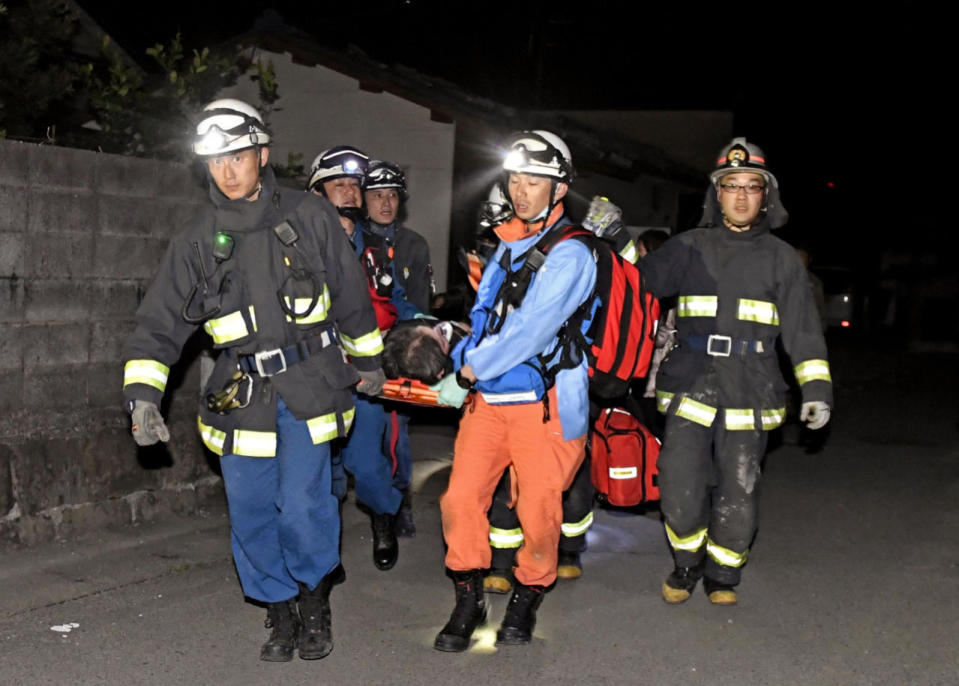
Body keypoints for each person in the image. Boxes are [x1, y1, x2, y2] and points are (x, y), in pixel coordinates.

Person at [122, 100, 386, 662]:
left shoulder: (310, 216)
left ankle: (314, 600)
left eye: (238, 155)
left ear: (262, 154)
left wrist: (367, 363)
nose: (229, 170)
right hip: (239, 396)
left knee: (304, 499)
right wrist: (144, 396)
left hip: (310, 385)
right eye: (217, 161)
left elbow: (350, 294)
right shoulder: (197, 240)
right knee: (248, 506)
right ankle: (278, 607)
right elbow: (159, 324)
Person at [640, 137, 832, 606]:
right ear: (717, 193)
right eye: (732, 186)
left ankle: (722, 573)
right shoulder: (686, 247)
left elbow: (804, 332)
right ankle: (686, 564)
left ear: (766, 195)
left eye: (752, 187)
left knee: (739, 486)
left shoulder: (782, 259)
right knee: (679, 481)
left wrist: (817, 389)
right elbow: (634, 286)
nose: (742, 196)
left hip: (753, 384)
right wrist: (611, 244)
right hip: (691, 380)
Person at [433, 130, 596, 651]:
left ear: (560, 187)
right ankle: (468, 597)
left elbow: (532, 332)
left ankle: (528, 594)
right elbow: (484, 319)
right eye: (515, 178)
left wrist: (467, 373)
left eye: (535, 180)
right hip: (490, 405)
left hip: (544, 406)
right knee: (460, 500)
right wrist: (460, 355)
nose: (521, 189)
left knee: (540, 513)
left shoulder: (573, 254)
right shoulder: (506, 246)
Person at [307, 145, 410, 568]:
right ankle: (325, 556)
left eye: (355, 185)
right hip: (315, 372)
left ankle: (384, 514)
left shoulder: (375, 247)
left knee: (366, 462)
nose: (350, 193)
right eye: (338, 185)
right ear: (318, 192)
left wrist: (426, 329)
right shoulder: (298, 243)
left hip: (366, 375)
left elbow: (397, 301)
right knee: (319, 472)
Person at [362, 160, 433, 536]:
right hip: (354, 353)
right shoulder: (350, 238)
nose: (385, 203)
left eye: (392, 196)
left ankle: (397, 502)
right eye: (377, 195)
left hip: (398, 354)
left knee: (394, 431)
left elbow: (417, 305)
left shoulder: (413, 245)